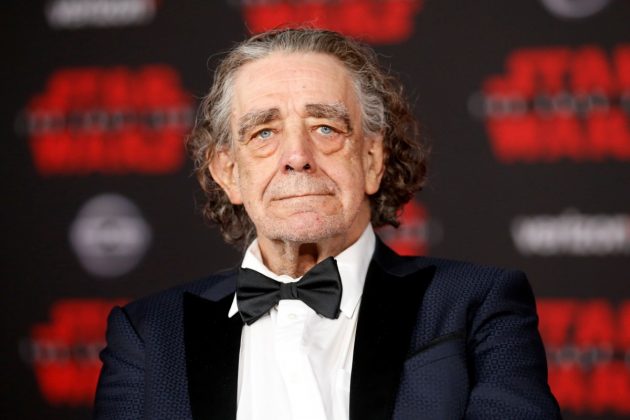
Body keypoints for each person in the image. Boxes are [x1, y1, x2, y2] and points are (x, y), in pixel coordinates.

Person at [94, 28, 561, 419]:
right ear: (229, 173)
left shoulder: (475, 305)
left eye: (325, 128)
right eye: (264, 132)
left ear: (372, 159)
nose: (297, 156)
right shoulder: (149, 333)